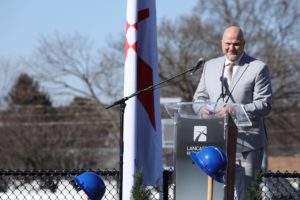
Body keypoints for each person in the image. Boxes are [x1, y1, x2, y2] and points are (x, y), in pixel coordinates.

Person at [193, 26, 272, 200]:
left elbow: (264, 104)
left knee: (247, 195)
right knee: (215, 194)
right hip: (215, 143)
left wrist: (234, 110)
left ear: (243, 44)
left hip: (247, 144)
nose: (231, 48)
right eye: (228, 44)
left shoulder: (258, 67)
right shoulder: (210, 66)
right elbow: (198, 99)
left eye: (236, 44)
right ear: (222, 43)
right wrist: (202, 110)